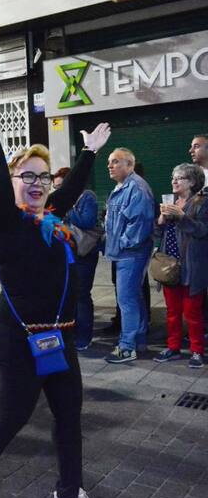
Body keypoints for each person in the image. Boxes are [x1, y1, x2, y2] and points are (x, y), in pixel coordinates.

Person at [0, 88, 110, 498]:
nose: (37, 183)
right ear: (13, 183)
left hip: (58, 333)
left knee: (68, 414)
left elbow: (70, 189)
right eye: (27, 176)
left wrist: (89, 152)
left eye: (42, 176)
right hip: (16, 334)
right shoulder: (5, 219)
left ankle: (69, 492)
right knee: (13, 414)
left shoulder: (51, 216)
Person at [104, 147, 155, 363]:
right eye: (109, 162)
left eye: (116, 161)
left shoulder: (136, 187)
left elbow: (140, 224)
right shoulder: (123, 186)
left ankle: (127, 347)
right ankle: (139, 340)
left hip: (130, 253)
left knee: (126, 300)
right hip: (125, 252)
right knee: (134, 297)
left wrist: (122, 243)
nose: (110, 165)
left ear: (130, 164)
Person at [153, 163, 206, 368]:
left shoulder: (201, 203)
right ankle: (173, 347)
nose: (174, 181)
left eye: (180, 178)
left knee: (193, 313)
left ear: (192, 182)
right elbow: (158, 234)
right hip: (170, 267)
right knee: (172, 312)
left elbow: (202, 231)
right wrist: (160, 220)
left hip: (191, 266)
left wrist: (182, 217)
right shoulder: (172, 203)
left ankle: (197, 351)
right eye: (173, 177)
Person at [54, 168, 101, 351]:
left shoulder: (86, 196)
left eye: (61, 186)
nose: (59, 191)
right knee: (69, 294)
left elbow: (87, 221)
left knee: (81, 294)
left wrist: (69, 207)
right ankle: (71, 333)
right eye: (56, 187)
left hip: (84, 253)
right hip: (67, 253)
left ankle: (84, 336)